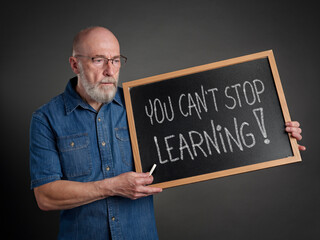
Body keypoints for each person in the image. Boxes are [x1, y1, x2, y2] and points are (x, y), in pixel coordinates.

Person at [29, 26, 305, 240]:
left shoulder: (142, 104)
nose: (110, 71)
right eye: (98, 60)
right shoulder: (46, 119)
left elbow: (210, 131)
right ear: (75, 64)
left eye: (115, 60)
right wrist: (111, 186)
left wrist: (276, 132)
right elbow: (45, 196)